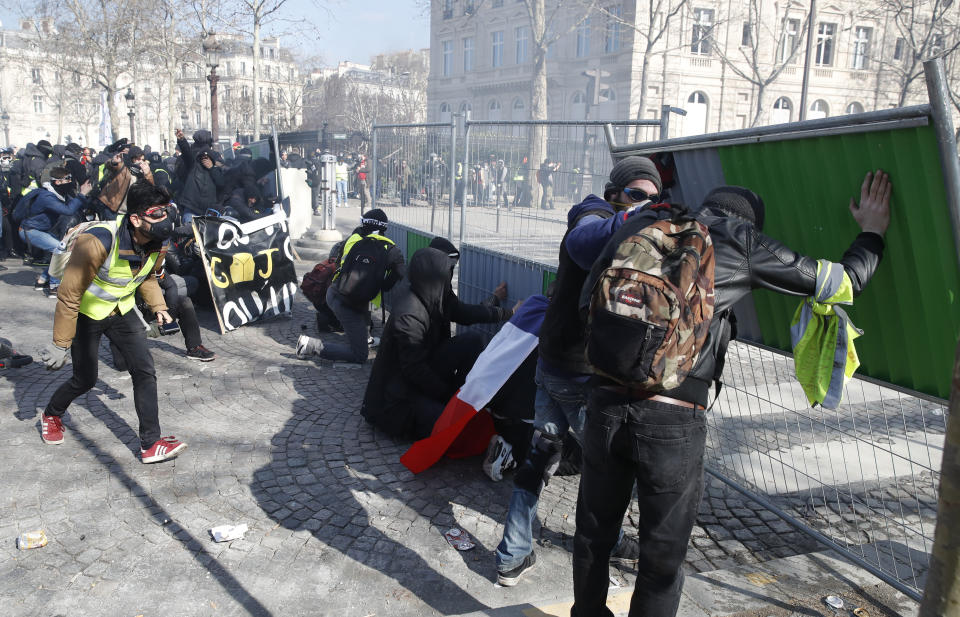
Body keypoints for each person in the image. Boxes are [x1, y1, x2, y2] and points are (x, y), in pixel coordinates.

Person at [570, 171, 892, 617]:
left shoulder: (643, 223)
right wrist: (872, 232)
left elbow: (586, 299)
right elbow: (840, 282)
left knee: (593, 533)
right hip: (673, 416)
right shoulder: (742, 240)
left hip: (604, 400)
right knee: (661, 559)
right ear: (750, 221)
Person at [494, 156, 661, 587]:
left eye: (653, 199)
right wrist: (640, 215)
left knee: (541, 455)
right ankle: (610, 543)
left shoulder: (628, 229)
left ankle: (512, 554)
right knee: (606, 464)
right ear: (615, 194)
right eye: (636, 195)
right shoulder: (594, 214)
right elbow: (585, 243)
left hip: (555, 364)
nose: (645, 205)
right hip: (577, 374)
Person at [37, 180, 188, 463]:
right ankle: (52, 414)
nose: (165, 219)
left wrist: (160, 308)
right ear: (135, 218)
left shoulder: (158, 241)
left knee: (144, 371)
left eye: (167, 211)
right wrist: (60, 344)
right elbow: (69, 295)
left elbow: (146, 278)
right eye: (157, 213)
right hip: (87, 314)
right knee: (85, 379)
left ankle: (150, 444)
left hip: (122, 311)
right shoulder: (97, 241)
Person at [361, 237, 513, 440]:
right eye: (448, 271)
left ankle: (462, 396)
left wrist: (504, 311)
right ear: (435, 274)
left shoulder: (434, 293)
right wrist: (446, 395)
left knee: (472, 341)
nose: (450, 276)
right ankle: (450, 401)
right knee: (451, 428)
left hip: (425, 367)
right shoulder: (410, 315)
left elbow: (462, 312)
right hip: (399, 395)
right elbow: (414, 370)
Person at [296, 209, 406, 366]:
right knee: (360, 355)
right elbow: (399, 275)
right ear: (384, 228)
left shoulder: (354, 241)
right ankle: (308, 345)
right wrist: (382, 282)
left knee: (361, 318)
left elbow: (339, 263)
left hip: (336, 292)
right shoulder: (391, 249)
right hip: (350, 302)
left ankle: (364, 338)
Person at [19, 166, 92, 297]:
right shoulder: (46, 196)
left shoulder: (59, 193)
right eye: (67, 179)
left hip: (41, 230)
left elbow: (77, 205)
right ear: (57, 182)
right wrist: (81, 194)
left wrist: (88, 197)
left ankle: (42, 280)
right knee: (60, 249)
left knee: (64, 250)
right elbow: (68, 211)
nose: (70, 182)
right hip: (29, 230)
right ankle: (54, 286)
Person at [175, 129, 225, 224]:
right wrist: (182, 141)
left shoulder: (216, 158)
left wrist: (212, 168)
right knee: (191, 233)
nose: (205, 159)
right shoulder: (193, 159)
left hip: (210, 208)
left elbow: (221, 182)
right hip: (192, 206)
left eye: (207, 157)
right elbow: (187, 154)